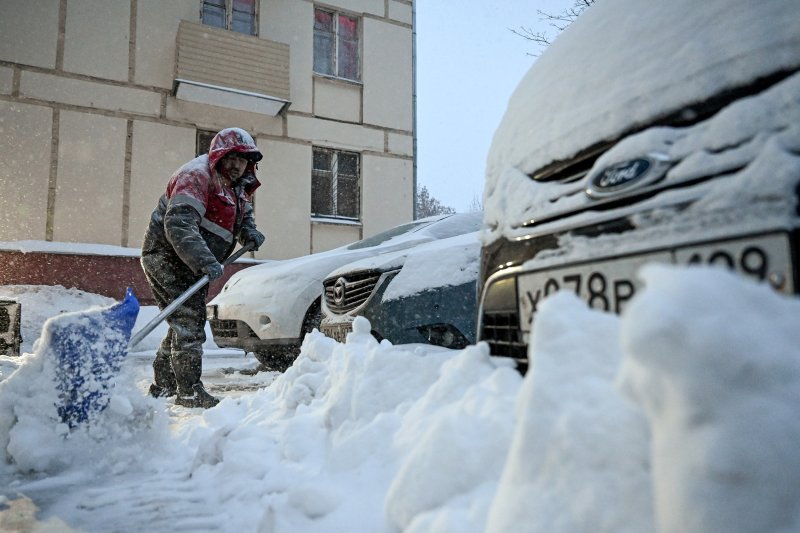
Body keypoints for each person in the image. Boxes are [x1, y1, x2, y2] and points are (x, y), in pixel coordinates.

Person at [141, 127, 266, 408]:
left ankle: (163, 386)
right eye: (231, 157)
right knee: (188, 323)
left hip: (193, 263)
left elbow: (242, 216)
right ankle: (189, 392)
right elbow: (180, 224)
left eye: (243, 158)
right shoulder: (196, 176)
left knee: (181, 323)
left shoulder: (237, 186)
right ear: (218, 155)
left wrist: (249, 232)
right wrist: (204, 260)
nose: (236, 164)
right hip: (167, 257)